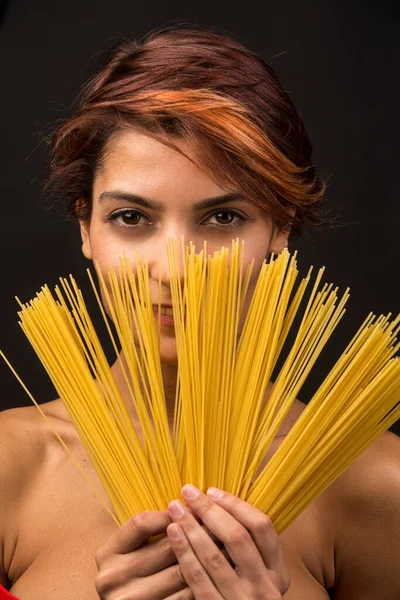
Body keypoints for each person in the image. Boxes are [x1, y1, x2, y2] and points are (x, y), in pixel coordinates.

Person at [0, 24, 399, 600]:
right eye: (132, 218)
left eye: (223, 218)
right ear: (85, 225)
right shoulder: (10, 470)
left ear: (279, 229)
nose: (175, 271)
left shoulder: (373, 484)